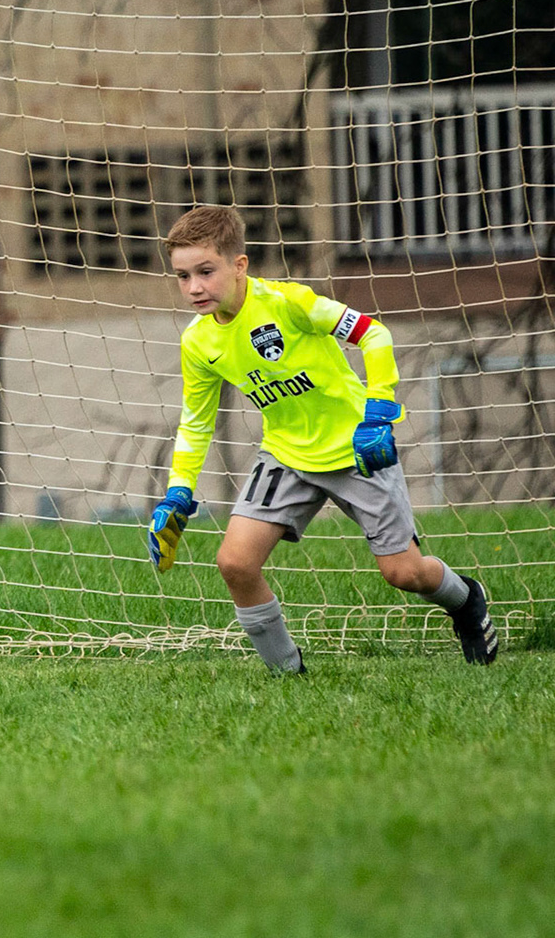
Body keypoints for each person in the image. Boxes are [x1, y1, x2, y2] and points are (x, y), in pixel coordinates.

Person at [148, 204, 496, 670]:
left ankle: (466, 600)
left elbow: (375, 335)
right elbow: (195, 422)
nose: (194, 287)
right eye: (182, 276)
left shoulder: (291, 303)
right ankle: (288, 676)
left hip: (358, 447)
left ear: (239, 264)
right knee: (235, 563)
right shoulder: (198, 341)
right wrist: (178, 491)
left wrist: (377, 414)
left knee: (404, 573)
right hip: (285, 455)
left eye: (205, 272)